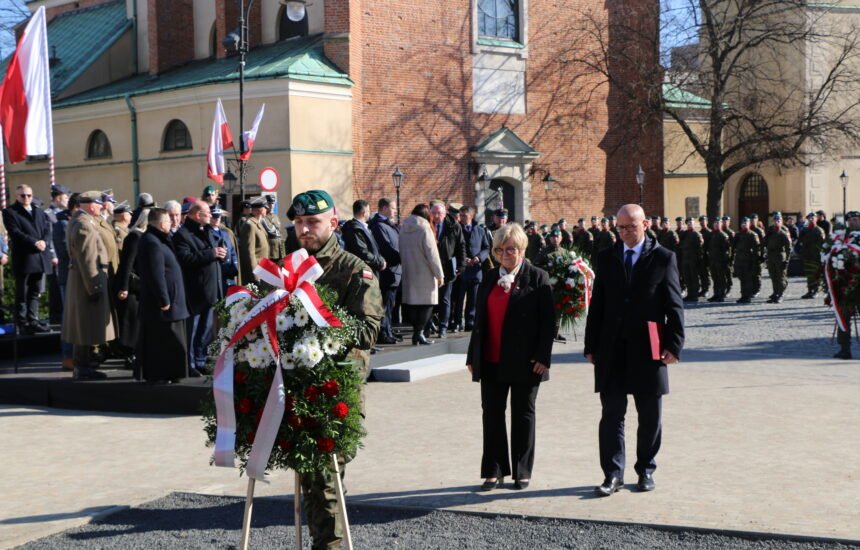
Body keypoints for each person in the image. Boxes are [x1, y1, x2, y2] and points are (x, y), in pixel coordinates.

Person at [285, 189, 382, 550]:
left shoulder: (354, 270)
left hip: (336, 389)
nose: (305, 229)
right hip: (296, 386)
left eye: (313, 222)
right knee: (309, 474)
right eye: (299, 223)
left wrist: (321, 332)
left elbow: (369, 330)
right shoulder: (289, 269)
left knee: (326, 474)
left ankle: (329, 546)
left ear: (333, 223)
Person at [584, 204, 685, 497]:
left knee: (650, 415)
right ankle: (613, 474)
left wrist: (674, 345)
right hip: (612, 347)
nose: (626, 232)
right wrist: (591, 345)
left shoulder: (664, 258)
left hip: (648, 347)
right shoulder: (607, 257)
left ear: (645, 225)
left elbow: (674, 306)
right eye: (621, 228)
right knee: (612, 414)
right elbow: (598, 304)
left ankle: (645, 470)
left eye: (631, 227)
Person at [466, 223, 554, 491]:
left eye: (511, 249)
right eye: (500, 249)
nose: (505, 254)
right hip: (491, 358)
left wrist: (543, 357)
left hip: (527, 361)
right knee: (491, 415)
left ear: (522, 249)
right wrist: (473, 356)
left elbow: (549, 323)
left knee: (523, 415)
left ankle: (521, 470)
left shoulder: (538, 277)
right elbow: (479, 320)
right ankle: (493, 470)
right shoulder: (490, 278)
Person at [62, 191, 115, 380]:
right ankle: (83, 368)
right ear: (91, 205)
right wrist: (94, 286)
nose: (102, 206)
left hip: (81, 281)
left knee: (83, 325)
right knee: (85, 326)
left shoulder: (79, 221)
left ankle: (84, 366)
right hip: (87, 282)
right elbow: (89, 259)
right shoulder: (84, 225)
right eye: (99, 203)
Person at [136, 208, 190, 384]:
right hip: (162, 304)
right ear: (160, 224)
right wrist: (163, 300)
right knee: (161, 342)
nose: (172, 223)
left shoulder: (159, 239)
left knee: (170, 341)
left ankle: (171, 373)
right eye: (168, 221)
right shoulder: (152, 242)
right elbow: (156, 274)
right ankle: (160, 375)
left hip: (171, 300)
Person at [173, 201, 226, 376]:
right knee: (193, 329)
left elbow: (214, 254)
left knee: (205, 329)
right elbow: (185, 258)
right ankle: (190, 363)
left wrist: (221, 255)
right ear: (197, 215)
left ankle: (201, 359)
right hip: (195, 290)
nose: (211, 215)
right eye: (207, 213)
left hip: (210, 289)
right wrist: (211, 254)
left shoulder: (207, 231)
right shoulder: (183, 234)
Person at [2, 184, 57, 332]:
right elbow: (14, 232)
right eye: (22, 195)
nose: (26, 198)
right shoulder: (10, 212)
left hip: (39, 256)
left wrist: (43, 242)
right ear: (17, 196)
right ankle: (22, 322)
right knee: (22, 292)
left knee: (35, 291)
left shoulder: (39, 212)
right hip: (25, 257)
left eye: (29, 195)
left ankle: (33, 320)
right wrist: (34, 242)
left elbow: (46, 229)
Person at [400, 204, 445, 345]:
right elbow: (432, 254)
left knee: (413, 303)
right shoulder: (425, 228)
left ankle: (416, 333)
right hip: (425, 271)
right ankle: (419, 333)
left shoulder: (404, 228)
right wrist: (439, 274)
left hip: (409, 270)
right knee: (427, 304)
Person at [116, 208, 149, 379]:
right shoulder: (135, 236)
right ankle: (130, 354)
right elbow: (127, 264)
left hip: (140, 287)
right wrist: (124, 287)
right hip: (133, 288)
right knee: (131, 322)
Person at [369, 197, 402, 344]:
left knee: (390, 305)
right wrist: (401, 257)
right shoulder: (378, 225)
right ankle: (383, 332)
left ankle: (388, 330)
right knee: (385, 304)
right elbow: (386, 247)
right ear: (384, 208)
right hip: (388, 271)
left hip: (395, 271)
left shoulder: (389, 224)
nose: (395, 211)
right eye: (393, 208)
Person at [429, 202, 465, 338]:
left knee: (445, 299)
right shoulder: (427, 225)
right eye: (434, 213)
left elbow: (461, 245)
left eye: (440, 213)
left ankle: (443, 327)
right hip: (430, 268)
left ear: (445, 214)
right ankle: (428, 324)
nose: (437, 216)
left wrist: (461, 265)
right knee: (430, 299)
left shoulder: (454, 226)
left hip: (447, 268)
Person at [453, 205, 490, 332]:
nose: (462, 218)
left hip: (475, 270)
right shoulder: (456, 229)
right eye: (460, 215)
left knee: (473, 298)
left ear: (471, 216)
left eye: (464, 215)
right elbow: (453, 248)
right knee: (459, 298)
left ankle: (470, 321)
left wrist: (478, 258)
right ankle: (457, 321)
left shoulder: (479, 230)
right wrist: (462, 260)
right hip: (461, 270)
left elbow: (486, 247)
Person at [833, 211, 860, 358]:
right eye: (850, 220)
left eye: (856, 220)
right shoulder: (843, 239)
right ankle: (845, 349)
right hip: (846, 285)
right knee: (843, 317)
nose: (852, 223)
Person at [45, 184, 71, 324]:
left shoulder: (63, 214)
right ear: (59, 197)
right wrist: (53, 255)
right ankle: (55, 318)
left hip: (61, 257)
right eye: (66, 197)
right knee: (55, 287)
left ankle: (59, 316)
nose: (67, 200)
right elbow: (48, 237)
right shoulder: (49, 214)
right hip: (56, 257)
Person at [342, 200, 386, 276]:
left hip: (371, 270)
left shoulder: (364, 227)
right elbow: (363, 253)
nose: (369, 213)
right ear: (364, 213)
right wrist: (380, 262)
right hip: (363, 273)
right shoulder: (355, 229)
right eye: (368, 211)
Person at [210, 206, 241, 292]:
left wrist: (234, 267)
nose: (216, 219)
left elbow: (232, 251)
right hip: (219, 272)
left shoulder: (225, 233)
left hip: (229, 272)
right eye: (214, 217)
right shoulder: (207, 233)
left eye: (218, 217)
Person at [239, 197, 271, 281]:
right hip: (256, 273)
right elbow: (249, 253)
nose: (266, 210)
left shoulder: (256, 223)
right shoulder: (250, 225)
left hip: (262, 270)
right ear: (260, 210)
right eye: (265, 208)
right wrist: (255, 276)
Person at [764, 212, 792, 303]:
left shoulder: (783, 233)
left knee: (780, 277)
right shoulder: (770, 231)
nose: (776, 222)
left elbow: (788, 248)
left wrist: (787, 260)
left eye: (778, 221)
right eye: (775, 221)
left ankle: (780, 294)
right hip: (771, 256)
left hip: (780, 256)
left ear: (781, 222)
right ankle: (775, 293)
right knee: (773, 276)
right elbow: (764, 242)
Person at [799, 212, 826, 299]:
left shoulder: (819, 230)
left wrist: (814, 248)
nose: (810, 219)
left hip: (815, 256)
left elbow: (822, 244)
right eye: (809, 218)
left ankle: (815, 290)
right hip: (807, 256)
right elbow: (801, 241)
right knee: (809, 274)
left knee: (815, 274)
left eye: (812, 218)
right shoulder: (805, 230)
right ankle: (810, 290)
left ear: (816, 219)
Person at [733, 218, 760, 304]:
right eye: (742, 223)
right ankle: (743, 295)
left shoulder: (752, 235)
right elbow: (733, 246)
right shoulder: (738, 234)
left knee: (748, 279)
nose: (744, 225)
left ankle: (748, 296)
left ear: (749, 224)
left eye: (745, 223)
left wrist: (755, 261)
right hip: (739, 259)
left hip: (748, 260)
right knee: (742, 278)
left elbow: (756, 249)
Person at [680, 217, 704, 302]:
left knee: (694, 277)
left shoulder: (696, 234)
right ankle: (689, 294)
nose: (690, 224)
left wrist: (698, 260)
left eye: (691, 222)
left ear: (694, 224)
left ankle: (694, 295)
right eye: (688, 223)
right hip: (685, 259)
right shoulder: (684, 234)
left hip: (693, 259)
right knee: (687, 277)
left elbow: (700, 249)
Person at [707, 218, 730, 302]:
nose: (716, 224)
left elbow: (727, 250)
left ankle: (721, 294)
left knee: (721, 278)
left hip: (720, 261)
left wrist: (725, 261)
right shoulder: (712, 234)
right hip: (713, 260)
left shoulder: (723, 235)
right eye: (715, 223)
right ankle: (716, 294)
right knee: (715, 278)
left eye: (718, 223)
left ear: (721, 224)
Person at [262, 195, 286, 263]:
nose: (271, 206)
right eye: (269, 203)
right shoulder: (263, 217)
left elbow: (279, 232)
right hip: (270, 251)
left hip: (279, 249)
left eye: (273, 203)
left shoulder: (275, 216)